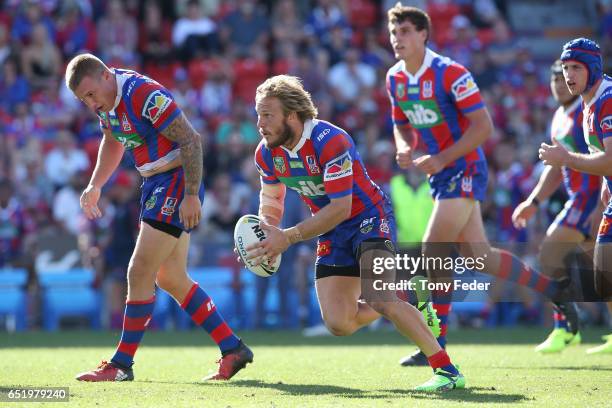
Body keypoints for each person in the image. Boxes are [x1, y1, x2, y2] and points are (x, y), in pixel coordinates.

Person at [246, 74, 465, 391]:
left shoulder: (330, 141)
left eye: (267, 115)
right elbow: (271, 198)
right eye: (258, 114)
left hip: (368, 218)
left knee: (379, 298)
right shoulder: (266, 153)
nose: (260, 123)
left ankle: (447, 371)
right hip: (331, 230)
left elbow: (341, 207)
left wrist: (289, 237)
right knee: (338, 323)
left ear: (291, 116)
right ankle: (410, 298)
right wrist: (268, 229)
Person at [385, 4, 569, 366]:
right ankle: (556, 291)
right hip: (440, 173)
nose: (398, 39)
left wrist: (441, 157)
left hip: (465, 166)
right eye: (394, 33)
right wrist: (404, 146)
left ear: (424, 34)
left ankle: (435, 342)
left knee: (434, 246)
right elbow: (400, 123)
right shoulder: (395, 78)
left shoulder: (450, 73)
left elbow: (484, 127)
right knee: (479, 256)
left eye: (405, 31)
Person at [65, 53, 253, 382]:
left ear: (107, 76)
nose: (91, 104)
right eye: (84, 100)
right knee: (171, 278)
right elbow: (112, 141)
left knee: (140, 271)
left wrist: (192, 194)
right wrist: (95, 184)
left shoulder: (143, 94)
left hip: (176, 180)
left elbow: (191, 140)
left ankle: (122, 364)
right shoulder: (107, 108)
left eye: (91, 94)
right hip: (154, 183)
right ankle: (233, 349)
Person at [513, 60, 602, 353]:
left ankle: (566, 326)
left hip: (589, 199)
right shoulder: (559, 117)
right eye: (555, 81)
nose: (559, 85)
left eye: (564, 79)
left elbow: (602, 158)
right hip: (577, 198)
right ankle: (565, 327)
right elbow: (555, 167)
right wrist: (534, 201)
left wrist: (599, 206)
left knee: (550, 253)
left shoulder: (585, 113)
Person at [539, 38, 612, 353]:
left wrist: (567, 159)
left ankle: (565, 326)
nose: (568, 75)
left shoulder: (606, 100)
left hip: (584, 202)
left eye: (575, 68)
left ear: (593, 68)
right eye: (564, 68)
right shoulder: (585, 102)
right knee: (604, 276)